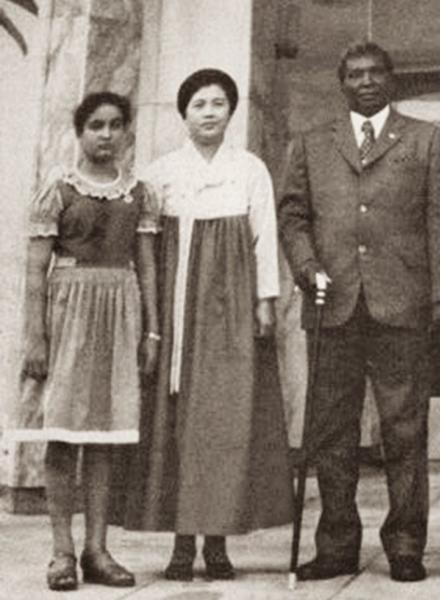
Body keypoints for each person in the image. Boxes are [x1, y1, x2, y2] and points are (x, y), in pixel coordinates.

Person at [277, 41, 440, 583]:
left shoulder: (425, 138)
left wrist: (439, 297)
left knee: (404, 430)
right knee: (330, 433)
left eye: (376, 72)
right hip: (332, 304)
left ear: (392, 78)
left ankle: (405, 544)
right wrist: (307, 266)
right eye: (354, 74)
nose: (366, 81)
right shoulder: (312, 143)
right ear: (342, 83)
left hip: (401, 305)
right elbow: (293, 215)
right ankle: (335, 545)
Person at [122, 68, 293, 581]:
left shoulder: (250, 170)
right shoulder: (159, 173)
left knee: (224, 422)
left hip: (232, 307)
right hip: (176, 307)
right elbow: (145, 249)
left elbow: (265, 237)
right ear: (184, 113)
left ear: (232, 111)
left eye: (219, 102)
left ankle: (217, 543)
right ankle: (180, 544)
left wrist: (265, 302)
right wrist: (149, 321)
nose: (210, 112)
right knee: (175, 423)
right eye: (199, 104)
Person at [13, 92, 159, 591]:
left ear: (126, 132)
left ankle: (98, 549)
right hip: (68, 313)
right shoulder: (59, 189)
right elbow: (36, 269)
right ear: (80, 131)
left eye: (116, 125)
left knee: (104, 438)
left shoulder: (139, 192)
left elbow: (147, 266)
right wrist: (35, 337)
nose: (106, 134)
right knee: (64, 434)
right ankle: (62, 553)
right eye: (96, 125)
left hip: (120, 313)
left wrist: (152, 330)